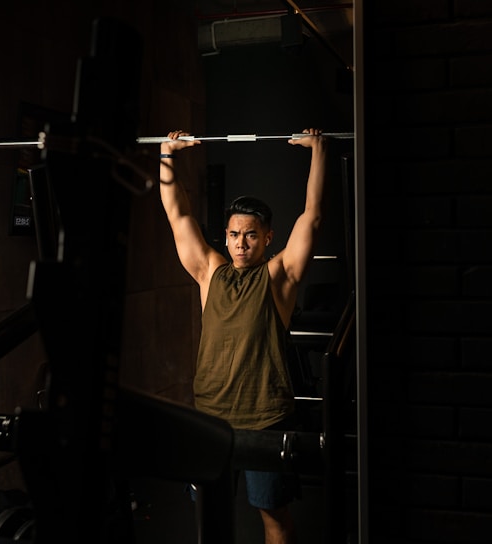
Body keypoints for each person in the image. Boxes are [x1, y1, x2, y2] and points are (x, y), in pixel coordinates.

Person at [158, 128, 327, 544]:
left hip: (264, 419)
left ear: (268, 238)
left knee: (273, 517)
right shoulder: (210, 271)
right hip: (211, 416)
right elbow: (177, 215)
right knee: (208, 518)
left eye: (251, 235)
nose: (240, 244)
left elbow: (313, 216)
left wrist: (319, 152)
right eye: (234, 234)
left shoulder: (277, 276)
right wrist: (166, 155)